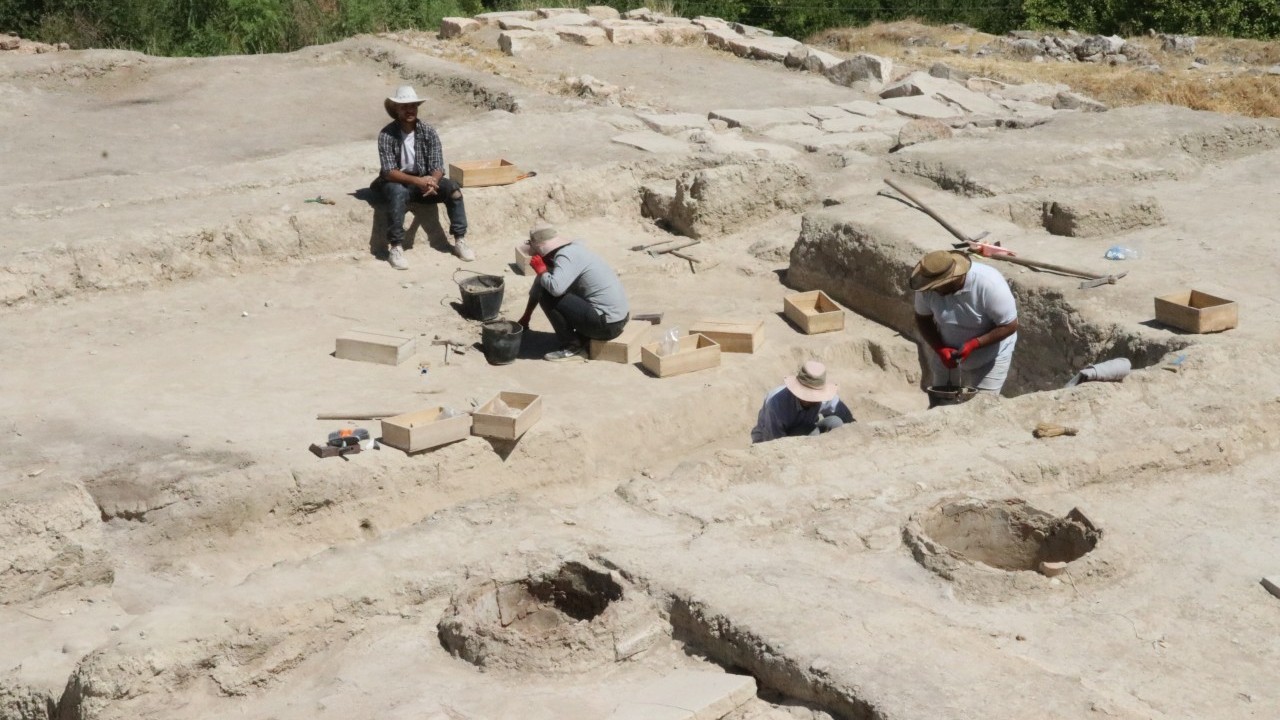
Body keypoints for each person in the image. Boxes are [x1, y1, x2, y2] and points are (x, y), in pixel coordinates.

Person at [374, 85, 472, 270]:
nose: (410, 110)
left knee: (453, 190)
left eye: (413, 106)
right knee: (396, 193)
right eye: (404, 107)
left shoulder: (428, 131)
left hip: (424, 179)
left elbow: (437, 165)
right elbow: (388, 171)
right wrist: (418, 181)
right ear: (396, 109)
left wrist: (432, 181)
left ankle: (460, 239)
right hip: (398, 181)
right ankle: (395, 246)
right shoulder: (386, 134)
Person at [911, 250, 1019, 402]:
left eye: (937, 286)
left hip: (991, 356)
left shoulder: (989, 285)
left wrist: (974, 344)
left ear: (953, 278)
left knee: (981, 407)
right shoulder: (927, 287)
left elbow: (1009, 325)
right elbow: (923, 319)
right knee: (941, 405)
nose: (933, 290)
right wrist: (939, 348)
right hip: (948, 355)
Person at [516, 223, 629, 362]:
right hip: (618, 320)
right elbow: (537, 287)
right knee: (548, 287)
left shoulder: (565, 256)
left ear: (542, 250)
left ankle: (573, 348)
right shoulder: (571, 251)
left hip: (607, 326)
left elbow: (553, 289)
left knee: (548, 293)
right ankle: (582, 337)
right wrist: (527, 316)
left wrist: (542, 271)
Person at [751, 360, 854, 443]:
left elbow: (848, 421)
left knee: (836, 422)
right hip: (773, 437)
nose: (813, 400)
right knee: (811, 433)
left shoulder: (824, 398)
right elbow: (773, 441)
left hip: (809, 428)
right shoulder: (776, 404)